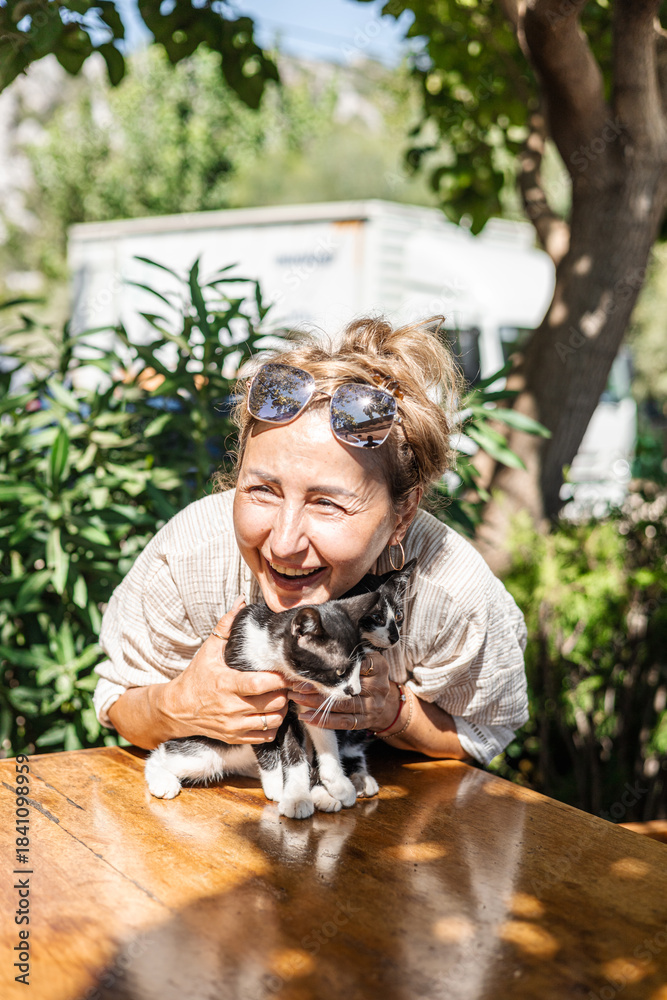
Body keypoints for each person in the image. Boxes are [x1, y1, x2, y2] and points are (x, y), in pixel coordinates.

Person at [93, 317, 528, 767]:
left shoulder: (453, 594)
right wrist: (178, 705)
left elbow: (483, 734)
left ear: (403, 515)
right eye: (263, 490)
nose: (282, 544)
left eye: (327, 504)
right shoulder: (187, 555)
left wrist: (394, 712)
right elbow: (119, 704)